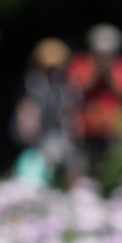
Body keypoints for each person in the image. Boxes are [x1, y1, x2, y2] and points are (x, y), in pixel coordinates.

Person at [68, 24, 122, 171]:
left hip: (113, 127)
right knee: (84, 166)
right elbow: (73, 90)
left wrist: (109, 76)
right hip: (85, 128)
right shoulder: (82, 62)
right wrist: (96, 75)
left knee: (114, 164)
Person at [12, 38, 81, 184]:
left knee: (71, 161)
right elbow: (27, 112)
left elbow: (70, 112)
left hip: (58, 135)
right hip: (37, 137)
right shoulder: (33, 82)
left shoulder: (67, 84)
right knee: (43, 160)